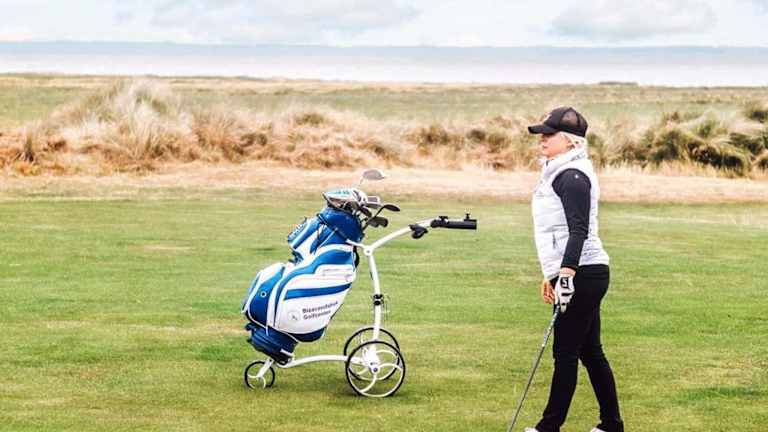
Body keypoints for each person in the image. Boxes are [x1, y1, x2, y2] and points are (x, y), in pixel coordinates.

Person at [524, 107, 624, 432]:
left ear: (570, 141)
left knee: (565, 352)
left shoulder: (572, 176)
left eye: (549, 134)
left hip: (583, 274)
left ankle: (548, 427)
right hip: (578, 272)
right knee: (591, 352)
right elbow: (557, 230)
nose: (542, 140)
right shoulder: (559, 171)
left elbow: (578, 230)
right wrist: (551, 273)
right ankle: (611, 425)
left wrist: (565, 275)